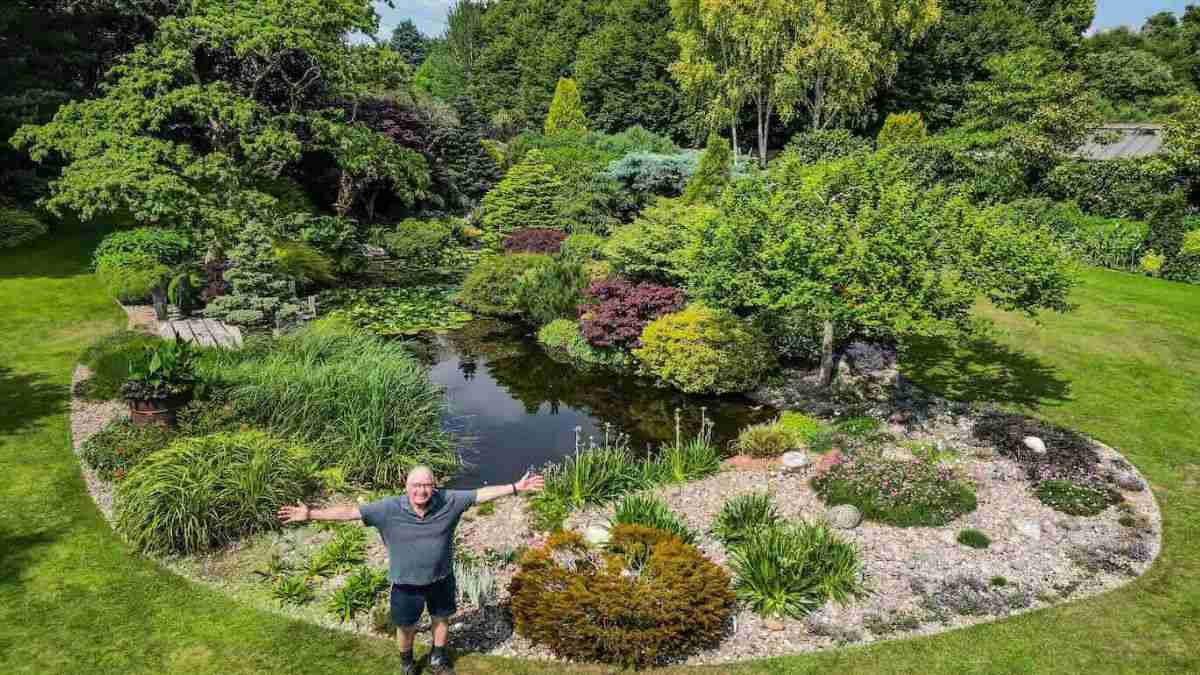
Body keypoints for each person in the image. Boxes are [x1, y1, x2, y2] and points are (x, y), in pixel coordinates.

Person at [277, 466, 544, 675]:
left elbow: (479, 495)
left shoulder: (449, 501)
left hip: (441, 579)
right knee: (406, 627)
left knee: (441, 619)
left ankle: (438, 657)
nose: (422, 490)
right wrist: (311, 514)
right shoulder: (387, 509)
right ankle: (407, 663)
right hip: (405, 584)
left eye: (427, 485)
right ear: (407, 487)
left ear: (434, 486)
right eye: (416, 485)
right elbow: (349, 512)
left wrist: (516, 487)